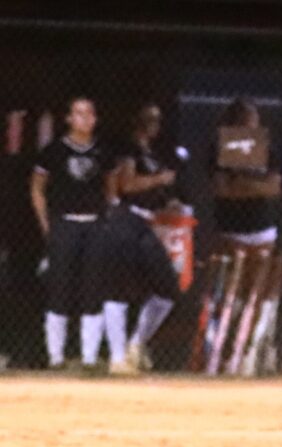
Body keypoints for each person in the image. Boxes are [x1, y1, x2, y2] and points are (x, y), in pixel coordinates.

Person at [29, 96, 118, 370]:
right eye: (78, 113)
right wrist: (47, 225)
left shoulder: (103, 151)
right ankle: (56, 358)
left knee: (93, 289)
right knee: (60, 289)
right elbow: (37, 189)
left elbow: (111, 187)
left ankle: (89, 358)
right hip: (64, 224)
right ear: (68, 118)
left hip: (93, 225)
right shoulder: (53, 151)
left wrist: (107, 219)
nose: (85, 118)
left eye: (89, 113)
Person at [101, 103, 185, 374]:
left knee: (167, 288)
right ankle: (117, 358)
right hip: (126, 218)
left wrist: (168, 202)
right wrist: (160, 178)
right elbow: (127, 184)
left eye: (158, 120)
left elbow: (152, 189)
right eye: (150, 120)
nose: (155, 125)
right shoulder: (128, 149)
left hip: (147, 221)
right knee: (119, 288)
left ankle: (135, 344)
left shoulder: (153, 153)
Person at [210, 97, 281, 252]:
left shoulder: (267, 149)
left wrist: (241, 183)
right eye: (243, 120)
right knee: (229, 275)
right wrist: (258, 187)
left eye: (253, 119)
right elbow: (223, 190)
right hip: (231, 230)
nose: (250, 125)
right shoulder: (221, 148)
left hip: (263, 227)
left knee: (261, 275)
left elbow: (274, 188)